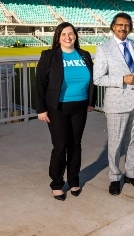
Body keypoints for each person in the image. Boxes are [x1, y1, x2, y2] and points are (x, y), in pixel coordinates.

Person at [36, 22, 97, 201]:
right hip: (57, 108)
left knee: (76, 145)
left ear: (76, 36)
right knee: (60, 146)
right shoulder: (49, 56)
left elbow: (92, 80)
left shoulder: (84, 55)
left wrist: (91, 102)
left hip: (80, 106)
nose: (68, 37)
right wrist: (41, 109)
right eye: (63, 34)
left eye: (71, 34)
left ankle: (73, 180)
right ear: (58, 37)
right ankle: (56, 183)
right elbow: (40, 83)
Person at [93, 13, 134, 196]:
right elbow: (98, 78)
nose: (123, 28)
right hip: (116, 103)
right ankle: (115, 176)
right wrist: (122, 79)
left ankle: (131, 173)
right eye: (119, 25)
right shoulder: (103, 49)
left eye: (126, 25)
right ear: (113, 26)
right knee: (115, 143)